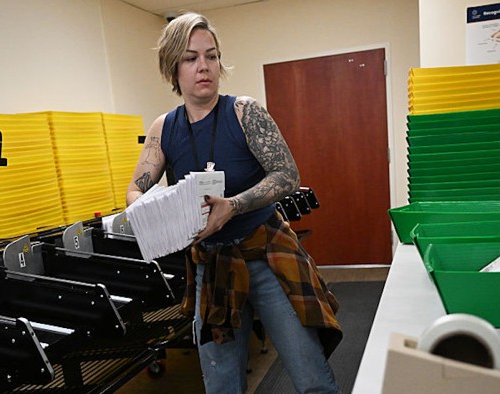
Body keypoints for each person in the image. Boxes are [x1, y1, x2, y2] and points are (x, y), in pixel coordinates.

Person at [126, 12, 342, 394]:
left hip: (266, 255)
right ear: (173, 67)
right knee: (222, 386)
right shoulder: (165, 128)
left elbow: (287, 174)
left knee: (311, 379)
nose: (204, 67)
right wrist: (152, 210)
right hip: (213, 267)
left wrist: (236, 204)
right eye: (191, 58)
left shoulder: (244, 112)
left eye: (211, 56)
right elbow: (135, 190)